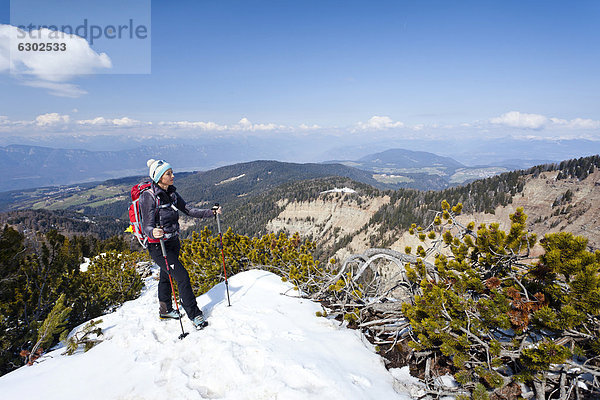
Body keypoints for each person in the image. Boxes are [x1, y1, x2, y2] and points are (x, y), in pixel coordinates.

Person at [140, 159, 220, 328]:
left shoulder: (172, 193)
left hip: (173, 242)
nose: (172, 176)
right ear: (159, 176)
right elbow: (145, 225)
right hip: (158, 245)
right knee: (182, 276)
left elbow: (189, 210)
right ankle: (194, 314)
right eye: (168, 174)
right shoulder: (149, 196)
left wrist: (210, 212)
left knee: (166, 275)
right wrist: (152, 231)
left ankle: (165, 310)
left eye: (171, 172)